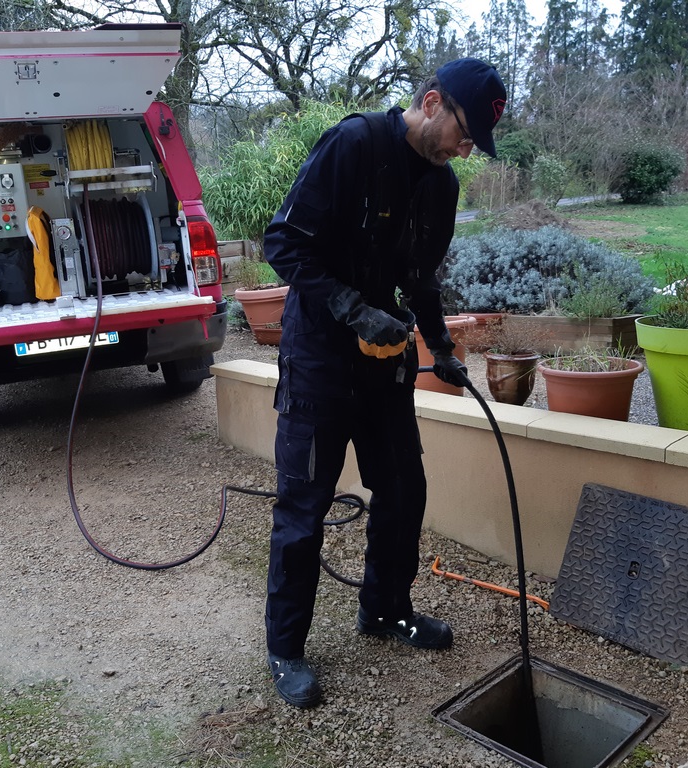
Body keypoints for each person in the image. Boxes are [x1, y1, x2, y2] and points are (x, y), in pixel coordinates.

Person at [262, 58, 507, 708]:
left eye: (473, 144)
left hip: (384, 362)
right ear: (431, 102)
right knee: (303, 509)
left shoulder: (443, 187)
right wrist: (348, 306)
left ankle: (385, 610)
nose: (464, 148)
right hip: (319, 355)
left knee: (403, 488)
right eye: (462, 132)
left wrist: (444, 348)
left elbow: (420, 278)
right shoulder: (354, 145)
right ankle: (285, 648)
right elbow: (283, 243)